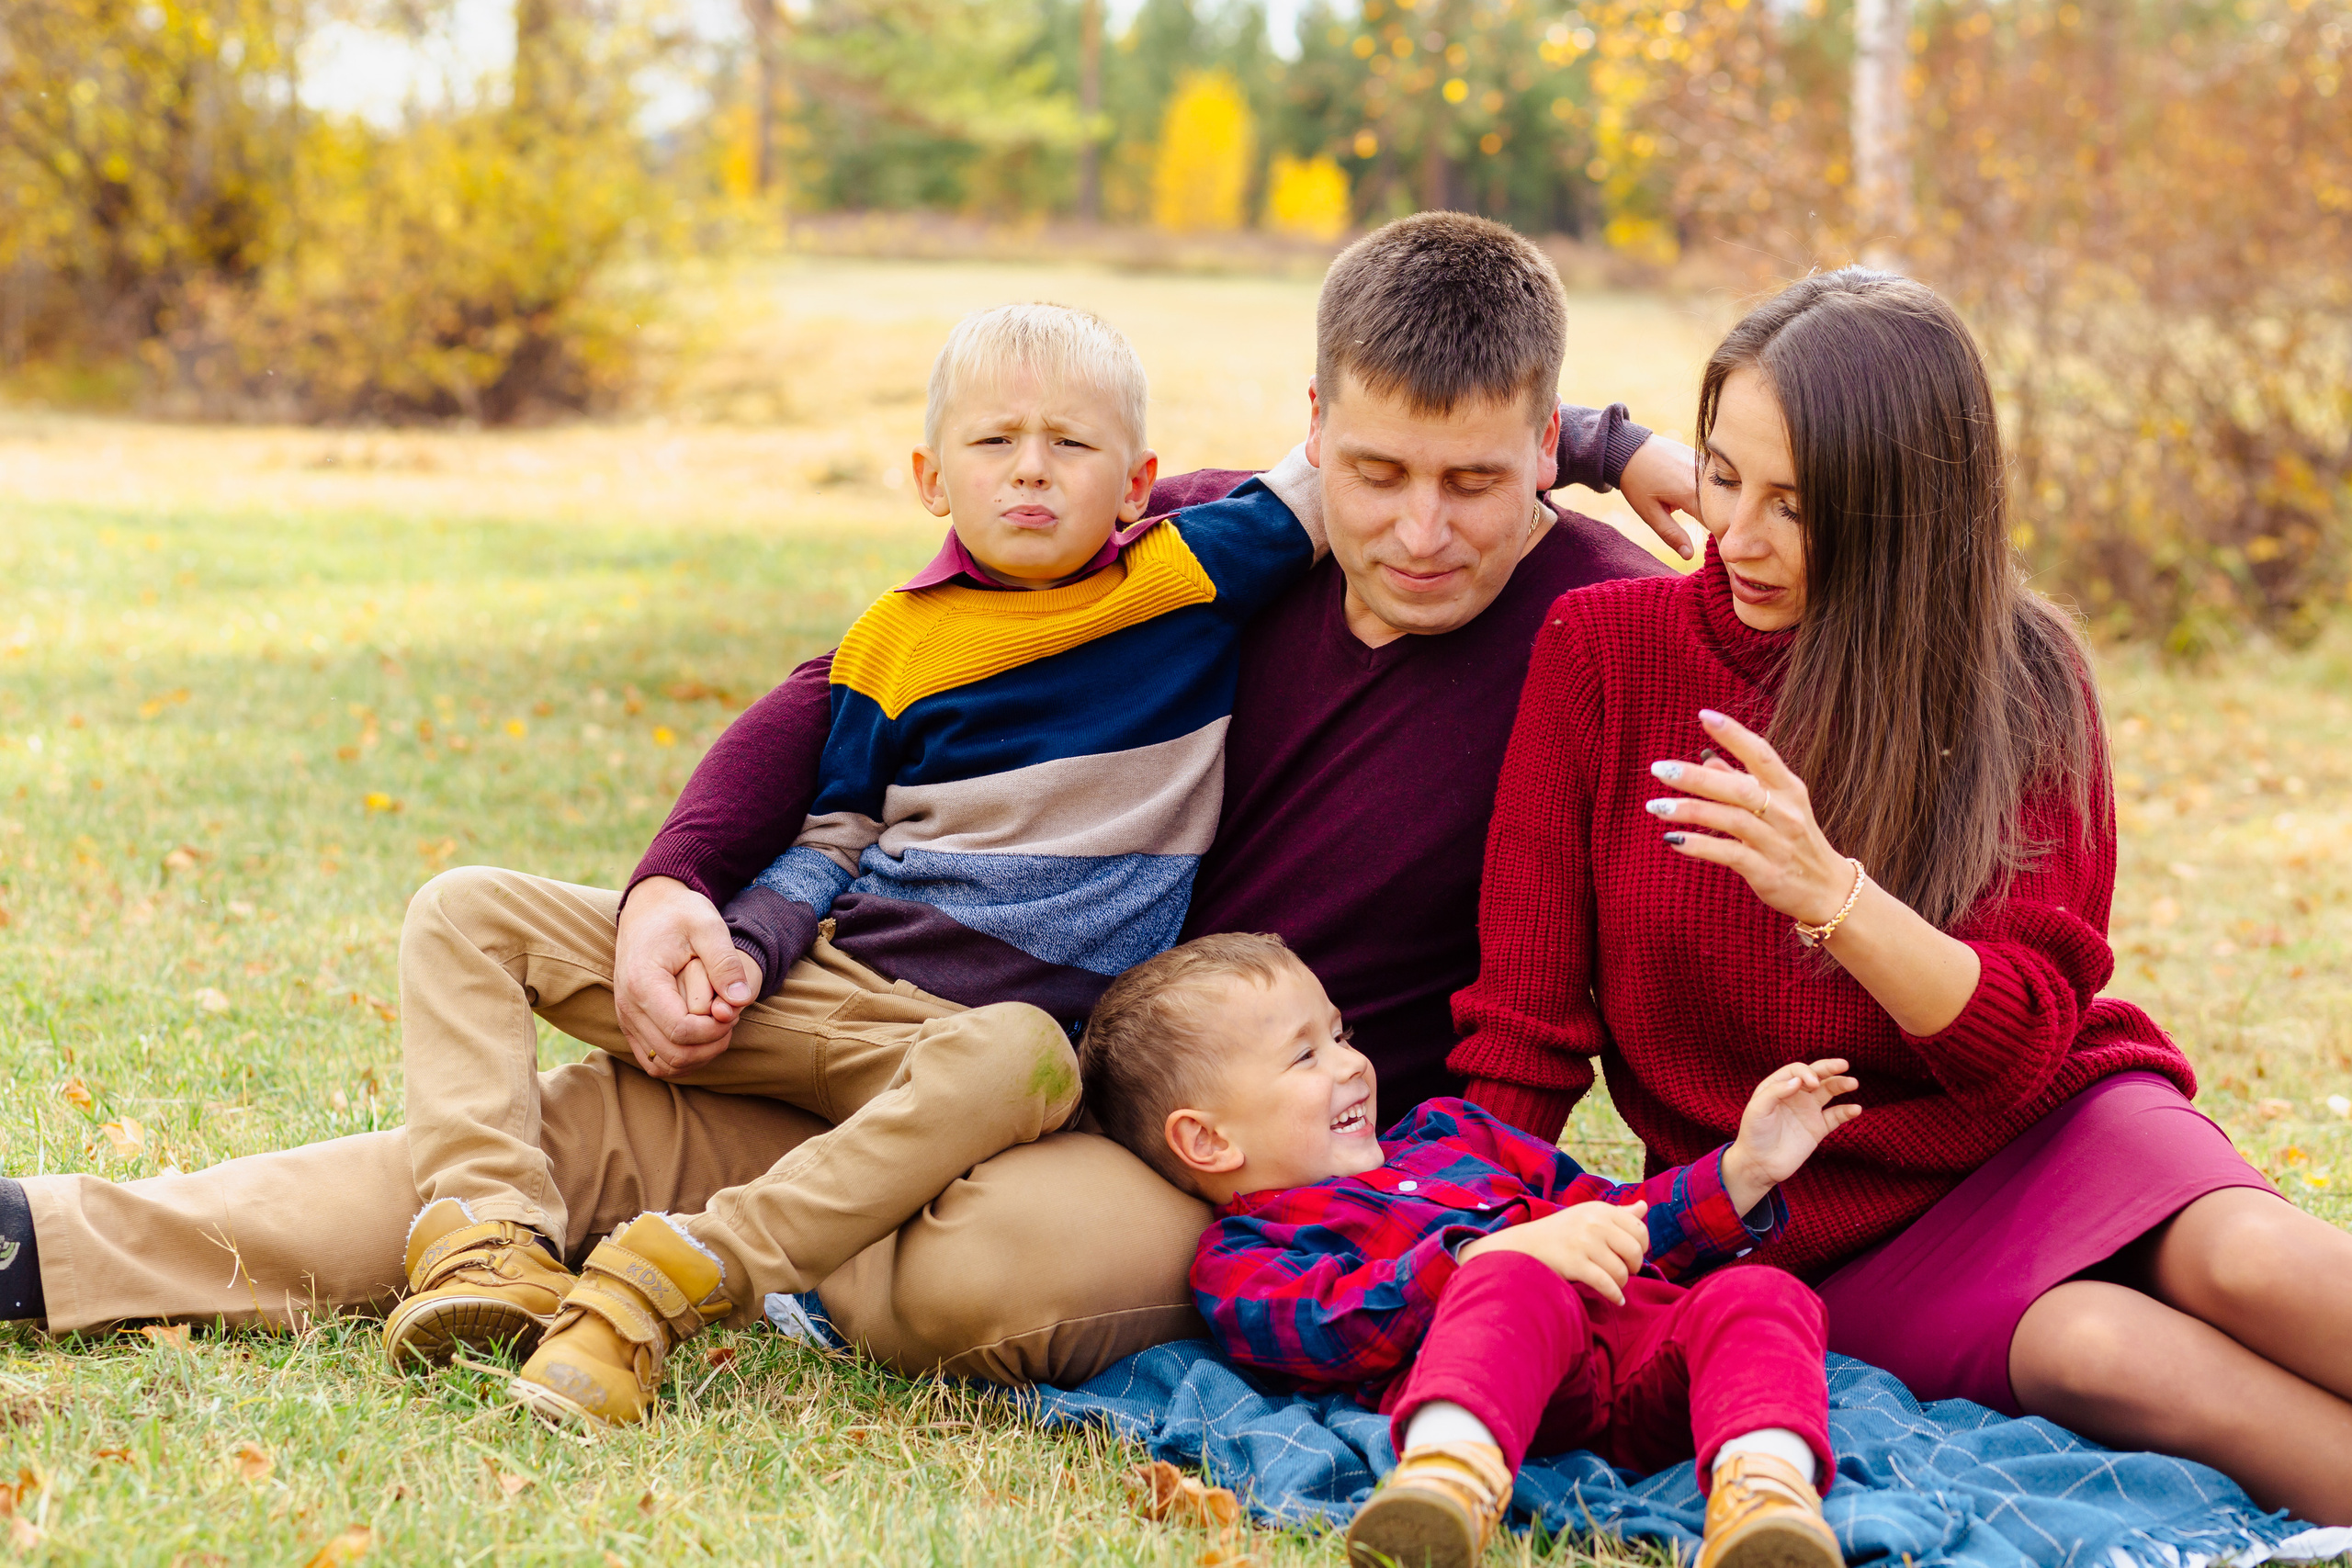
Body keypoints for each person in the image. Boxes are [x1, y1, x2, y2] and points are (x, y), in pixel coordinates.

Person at [0, 214, 1699, 1388]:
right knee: (568, 1136)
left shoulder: (1607, 628)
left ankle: (741, 1248)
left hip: (1193, 1150)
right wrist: (679, 879)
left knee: (979, 1276)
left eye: (1476, 484)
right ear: (1312, 432)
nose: (1418, 531)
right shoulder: (1201, 541)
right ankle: (50, 1246)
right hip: (925, 1019)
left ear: (1545, 445)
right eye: (1378, 475)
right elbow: (859, 680)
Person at [1449, 267, 2352, 1523]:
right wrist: (1466, 1236)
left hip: (2046, 1124)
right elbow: (1527, 1027)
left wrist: (1832, 893)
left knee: (2251, 1257)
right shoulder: (1602, 653)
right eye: (1723, 477)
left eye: (1800, 507)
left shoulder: (2021, 674)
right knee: (2100, 1351)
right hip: (1808, 1218)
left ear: (1910, 509)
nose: (1739, 536)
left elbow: (2026, 1032)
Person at [386, 301, 1326, 1428]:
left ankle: (673, 1278)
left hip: (960, 1048)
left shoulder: (1185, 578)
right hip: (822, 985)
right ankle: (490, 1243)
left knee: (1032, 1052)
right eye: (994, 443)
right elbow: (834, 835)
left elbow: (1347, 457)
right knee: (464, 911)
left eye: (1071, 445)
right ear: (933, 477)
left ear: (1136, 483)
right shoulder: (893, 640)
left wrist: (1574, 438)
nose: (1031, 473)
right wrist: (744, 949)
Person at [1079, 931, 1854, 1568]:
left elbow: (1615, 1218)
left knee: (1768, 1295)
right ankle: (1448, 1485)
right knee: (1512, 1275)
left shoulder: (1454, 1133)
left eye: (1340, 1033)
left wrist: (1742, 1170)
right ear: (1208, 1139)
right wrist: (1485, 1256)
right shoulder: (1243, 1253)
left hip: (1648, 1366)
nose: (1351, 1062)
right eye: (1304, 1056)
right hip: (1499, 1398)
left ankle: (1765, 1497)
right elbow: (1326, 1332)